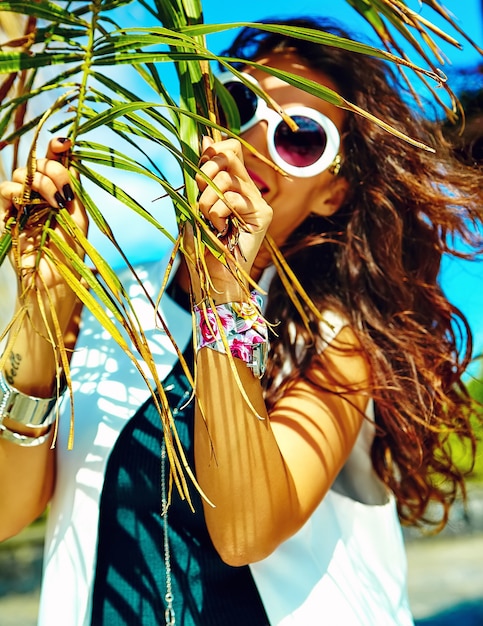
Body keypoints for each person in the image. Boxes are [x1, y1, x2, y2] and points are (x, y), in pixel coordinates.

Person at [0, 15, 482, 626]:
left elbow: (245, 529)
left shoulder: (333, 342)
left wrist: (223, 293)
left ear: (331, 195)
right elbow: (8, 512)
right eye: (239, 105)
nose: (254, 138)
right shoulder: (113, 306)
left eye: (299, 138)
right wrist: (41, 315)